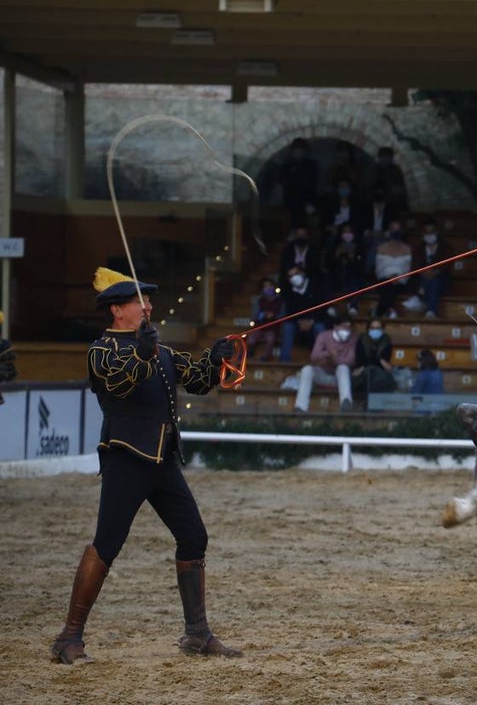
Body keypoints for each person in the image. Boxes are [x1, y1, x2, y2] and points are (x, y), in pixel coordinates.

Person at [50, 267, 241, 665]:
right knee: (107, 544)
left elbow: (199, 379)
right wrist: (142, 351)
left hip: (163, 461)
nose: (149, 305)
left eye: (148, 300)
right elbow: (119, 382)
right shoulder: (101, 349)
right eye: (141, 301)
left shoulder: (162, 350)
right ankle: (69, 638)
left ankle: (197, 634)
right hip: (126, 460)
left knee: (194, 536)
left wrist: (215, 356)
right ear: (118, 310)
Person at [295, 315, 358, 413]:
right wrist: (328, 354)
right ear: (335, 326)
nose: (346, 329)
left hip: (340, 378)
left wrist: (333, 359)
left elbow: (350, 360)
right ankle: (300, 407)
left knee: (343, 367)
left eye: (348, 327)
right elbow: (314, 356)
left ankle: (346, 403)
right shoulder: (324, 336)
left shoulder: (353, 339)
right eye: (343, 326)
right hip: (323, 375)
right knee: (307, 369)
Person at [279, 265, 328, 362]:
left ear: (302, 273)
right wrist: (300, 321)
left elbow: (322, 307)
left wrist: (311, 321)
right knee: (287, 327)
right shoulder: (288, 292)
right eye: (290, 276)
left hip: (315, 320)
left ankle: (322, 359)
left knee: (320, 328)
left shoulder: (316, 286)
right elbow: (289, 311)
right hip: (297, 322)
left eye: (296, 274)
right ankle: (284, 360)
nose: (294, 278)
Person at [372, 220, 415, 319]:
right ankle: (390, 310)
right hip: (383, 280)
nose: (395, 231)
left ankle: (378, 312)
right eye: (393, 229)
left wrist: (398, 278)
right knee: (387, 288)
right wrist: (389, 277)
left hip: (401, 281)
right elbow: (379, 269)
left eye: (398, 229)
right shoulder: (381, 248)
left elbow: (407, 269)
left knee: (390, 290)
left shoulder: (407, 249)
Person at [413, 218, 451, 319]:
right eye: (426, 232)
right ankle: (431, 310)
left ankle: (421, 296)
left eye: (431, 232)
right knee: (431, 280)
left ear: (436, 232)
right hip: (422, 278)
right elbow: (416, 265)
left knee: (434, 280)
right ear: (422, 233)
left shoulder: (446, 247)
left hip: (441, 281)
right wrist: (424, 272)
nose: (429, 234)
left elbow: (446, 265)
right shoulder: (418, 248)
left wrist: (435, 271)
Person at [245, 277, 283, 361]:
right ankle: (248, 355)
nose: (268, 288)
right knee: (251, 339)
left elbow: (282, 315)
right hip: (260, 325)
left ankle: (266, 357)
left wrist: (273, 315)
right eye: (265, 286)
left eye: (270, 286)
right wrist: (263, 315)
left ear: (274, 286)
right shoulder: (258, 300)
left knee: (270, 340)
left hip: (273, 327)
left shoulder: (280, 301)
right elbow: (254, 316)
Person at [354, 317, 396, 395]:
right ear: (368, 329)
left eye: (378, 328)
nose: (375, 330)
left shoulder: (386, 340)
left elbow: (385, 361)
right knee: (369, 373)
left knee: (376, 374)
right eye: (372, 328)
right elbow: (359, 361)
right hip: (363, 371)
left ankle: (372, 403)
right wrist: (378, 360)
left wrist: (379, 361)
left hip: (380, 372)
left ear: (382, 329)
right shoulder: (362, 339)